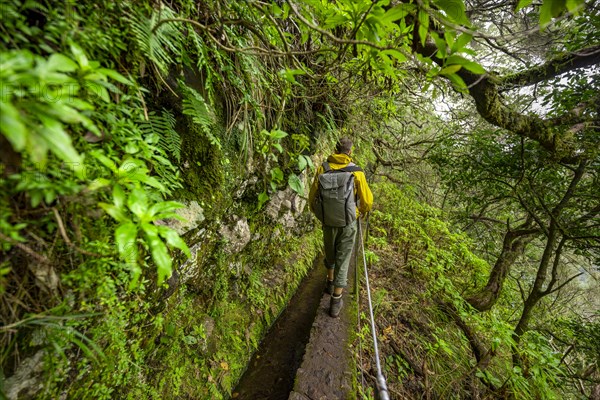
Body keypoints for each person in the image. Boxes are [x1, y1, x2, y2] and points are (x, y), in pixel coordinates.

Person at [308, 137, 373, 317]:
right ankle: (335, 302)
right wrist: (358, 213)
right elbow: (367, 201)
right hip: (347, 223)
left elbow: (312, 197)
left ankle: (329, 282)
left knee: (330, 252)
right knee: (343, 259)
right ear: (350, 152)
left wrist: (321, 214)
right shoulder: (356, 172)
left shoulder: (323, 168)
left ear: (335, 150)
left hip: (328, 221)